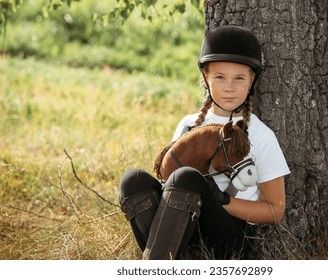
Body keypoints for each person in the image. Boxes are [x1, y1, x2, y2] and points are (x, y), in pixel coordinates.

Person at [119, 25, 290, 260]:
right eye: (220, 77)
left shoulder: (261, 135)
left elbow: (274, 210)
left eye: (239, 78)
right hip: (180, 228)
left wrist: (222, 200)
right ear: (206, 78)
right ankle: (172, 262)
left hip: (228, 236)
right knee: (133, 181)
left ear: (252, 80)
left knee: (186, 178)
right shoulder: (189, 126)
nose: (229, 87)